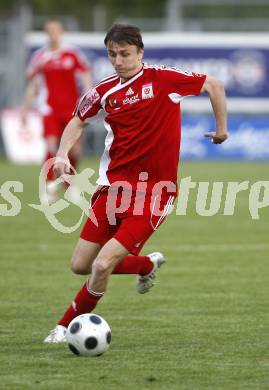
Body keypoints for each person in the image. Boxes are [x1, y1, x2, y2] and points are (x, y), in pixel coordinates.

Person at [44, 24, 228, 343]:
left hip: (155, 193)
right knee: (80, 265)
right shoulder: (103, 92)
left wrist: (221, 129)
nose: (118, 60)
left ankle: (65, 326)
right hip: (111, 191)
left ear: (140, 53)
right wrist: (61, 154)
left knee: (102, 264)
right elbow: (77, 120)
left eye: (125, 54)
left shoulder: (163, 80)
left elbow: (213, 84)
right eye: (112, 54)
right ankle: (146, 264)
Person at [21, 19, 92, 201]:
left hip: (71, 109)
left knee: (74, 150)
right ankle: (50, 187)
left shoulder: (72, 53)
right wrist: (25, 109)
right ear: (46, 33)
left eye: (55, 30)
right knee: (52, 147)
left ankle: (70, 185)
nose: (52, 33)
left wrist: (90, 101)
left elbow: (85, 78)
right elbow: (33, 85)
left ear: (61, 32)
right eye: (49, 30)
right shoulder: (40, 56)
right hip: (49, 108)